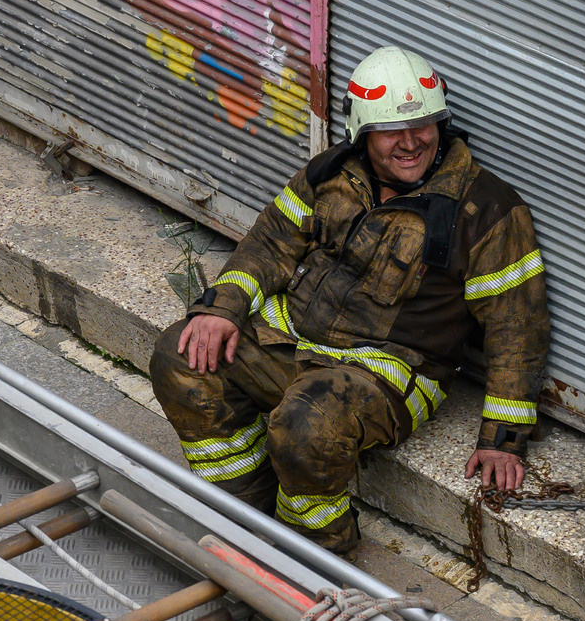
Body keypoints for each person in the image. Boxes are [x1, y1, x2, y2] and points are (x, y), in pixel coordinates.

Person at [150, 46, 549, 555]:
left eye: (424, 125)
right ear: (362, 133)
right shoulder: (331, 173)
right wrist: (220, 308)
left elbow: (518, 325)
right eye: (391, 131)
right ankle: (239, 510)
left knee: (305, 423)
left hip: (385, 372)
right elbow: (271, 242)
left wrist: (503, 437)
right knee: (180, 357)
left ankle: (313, 549)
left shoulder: (488, 208)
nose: (411, 142)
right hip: (290, 338)